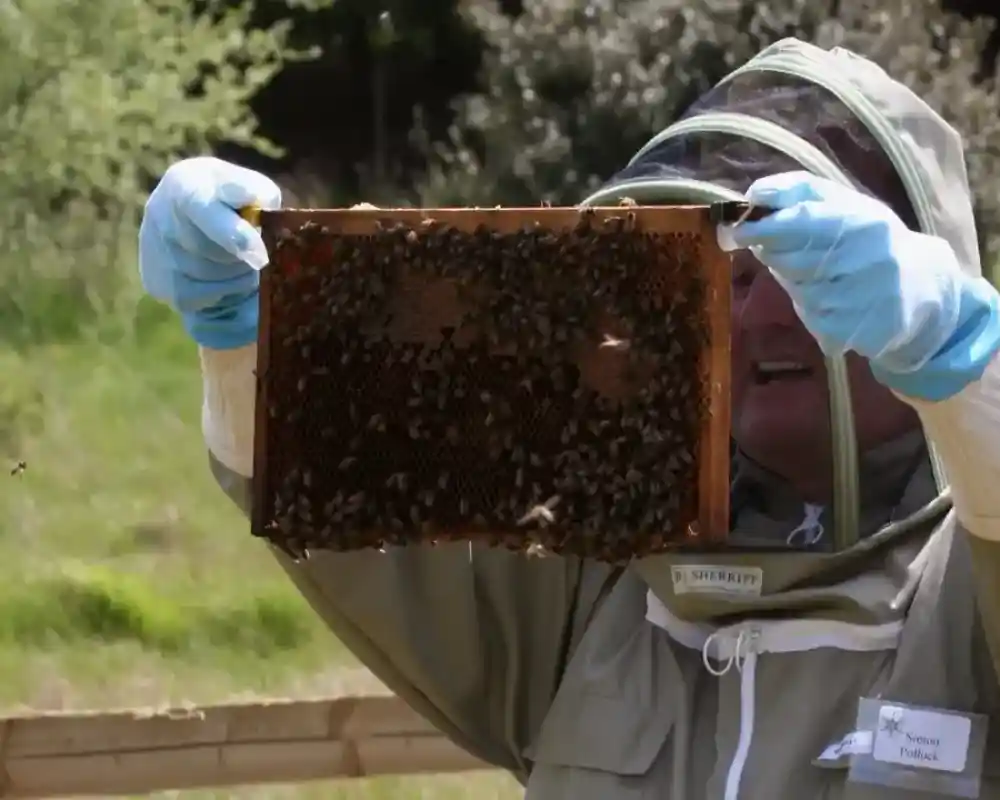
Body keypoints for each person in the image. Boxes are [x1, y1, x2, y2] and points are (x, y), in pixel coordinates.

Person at [138, 37, 1000, 799]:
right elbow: (351, 510)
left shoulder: (964, 590)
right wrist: (255, 333)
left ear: (923, 273)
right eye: (733, 273)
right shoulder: (600, 577)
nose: (765, 316)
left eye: (810, 272)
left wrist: (964, 353)